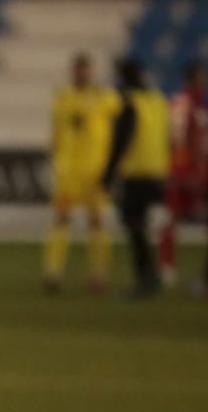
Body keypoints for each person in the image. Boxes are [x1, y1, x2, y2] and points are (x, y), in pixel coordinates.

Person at [43, 53, 118, 294]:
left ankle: (98, 274)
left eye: (85, 70)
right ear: (72, 71)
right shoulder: (62, 97)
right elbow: (56, 131)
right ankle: (53, 272)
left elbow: (118, 121)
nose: (81, 74)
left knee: (96, 223)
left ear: (91, 72)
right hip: (68, 172)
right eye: (78, 70)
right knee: (61, 219)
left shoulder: (104, 98)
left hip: (95, 172)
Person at [102, 58, 170, 300]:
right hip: (159, 171)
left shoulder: (130, 104)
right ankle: (155, 274)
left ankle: (145, 278)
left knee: (134, 225)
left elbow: (121, 142)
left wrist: (108, 174)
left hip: (137, 174)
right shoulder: (158, 101)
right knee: (152, 225)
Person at [158, 60, 207, 290]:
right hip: (188, 171)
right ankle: (167, 268)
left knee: (172, 220)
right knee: (171, 219)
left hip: (193, 171)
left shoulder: (193, 104)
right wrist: (185, 172)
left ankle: (173, 270)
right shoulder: (185, 103)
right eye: (200, 78)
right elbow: (176, 139)